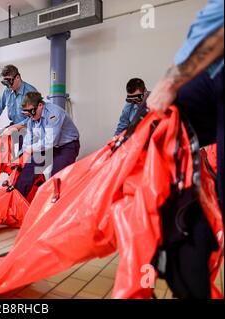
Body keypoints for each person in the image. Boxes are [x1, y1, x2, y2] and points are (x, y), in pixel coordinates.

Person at [146, 0, 223, 299]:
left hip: (207, 73)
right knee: (157, 136)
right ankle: (181, 245)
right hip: (210, 77)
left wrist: (171, 81)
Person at [14, 92, 81, 198]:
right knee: (29, 168)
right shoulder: (33, 118)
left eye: (32, 112)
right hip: (50, 146)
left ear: (41, 105)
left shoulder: (54, 114)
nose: (30, 116)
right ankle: (16, 202)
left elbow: (50, 142)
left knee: (56, 177)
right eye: (28, 114)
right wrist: (21, 155)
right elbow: (29, 140)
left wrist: (31, 149)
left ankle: (54, 208)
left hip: (67, 146)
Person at [0, 65, 38, 145]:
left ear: (18, 77)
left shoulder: (30, 92)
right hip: (13, 126)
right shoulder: (7, 91)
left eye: (10, 81)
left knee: (20, 153)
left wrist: (15, 128)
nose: (8, 85)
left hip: (28, 128)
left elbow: (35, 117)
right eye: (6, 83)